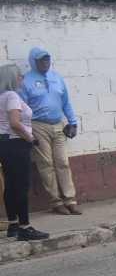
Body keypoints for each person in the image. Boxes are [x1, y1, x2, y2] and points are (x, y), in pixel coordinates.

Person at [20, 47, 81, 215]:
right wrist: (27, 131)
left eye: (47, 59)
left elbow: (66, 102)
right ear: (33, 61)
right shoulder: (26, 81)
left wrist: (73, 122)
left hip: (58, 124)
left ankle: (70, 199)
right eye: (41, 60)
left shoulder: (56, 78)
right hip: (38, 125)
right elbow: (22, 108)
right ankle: (56, 202)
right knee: (46, 164)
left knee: (63, 162)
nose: (45, 62)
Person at [0, 64, 49, 241]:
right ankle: (25, 227)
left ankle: (13, 224)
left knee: (11, 185)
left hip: (4, 143)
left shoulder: (1, 96)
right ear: (12, 78)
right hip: (17, 144)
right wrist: (30, 138)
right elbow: (15, 122)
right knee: (21, 186)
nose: (22, 78)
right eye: (19, 75)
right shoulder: (12, 96)